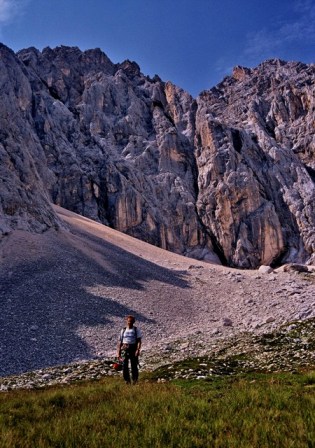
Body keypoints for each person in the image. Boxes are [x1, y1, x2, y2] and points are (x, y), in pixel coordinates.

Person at [117, 315, 142, 384]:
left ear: (133, 322)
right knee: (124, 365)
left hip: (133, 348)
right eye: (129, 321)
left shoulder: (136, 330)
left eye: (131, 321)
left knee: (134, 364)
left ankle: (135, 380)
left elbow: (139, 341)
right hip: (125, 348)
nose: (130, 323)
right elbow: (120, 342)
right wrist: (118, 353)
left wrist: (138, 349)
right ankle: (127, 380)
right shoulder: (123, 330)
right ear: (126, 321)